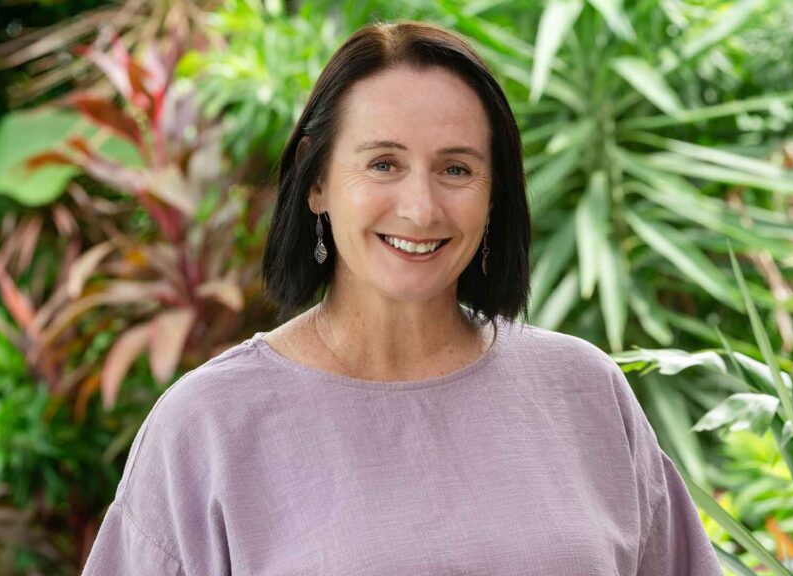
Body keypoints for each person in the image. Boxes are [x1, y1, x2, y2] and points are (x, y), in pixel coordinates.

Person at [81, 20, 722, 576]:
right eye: (384, 163)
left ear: (495, 192)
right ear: (317, 179)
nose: (420, 208)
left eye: (457, 168)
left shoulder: (584, 391)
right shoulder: (207, 425)